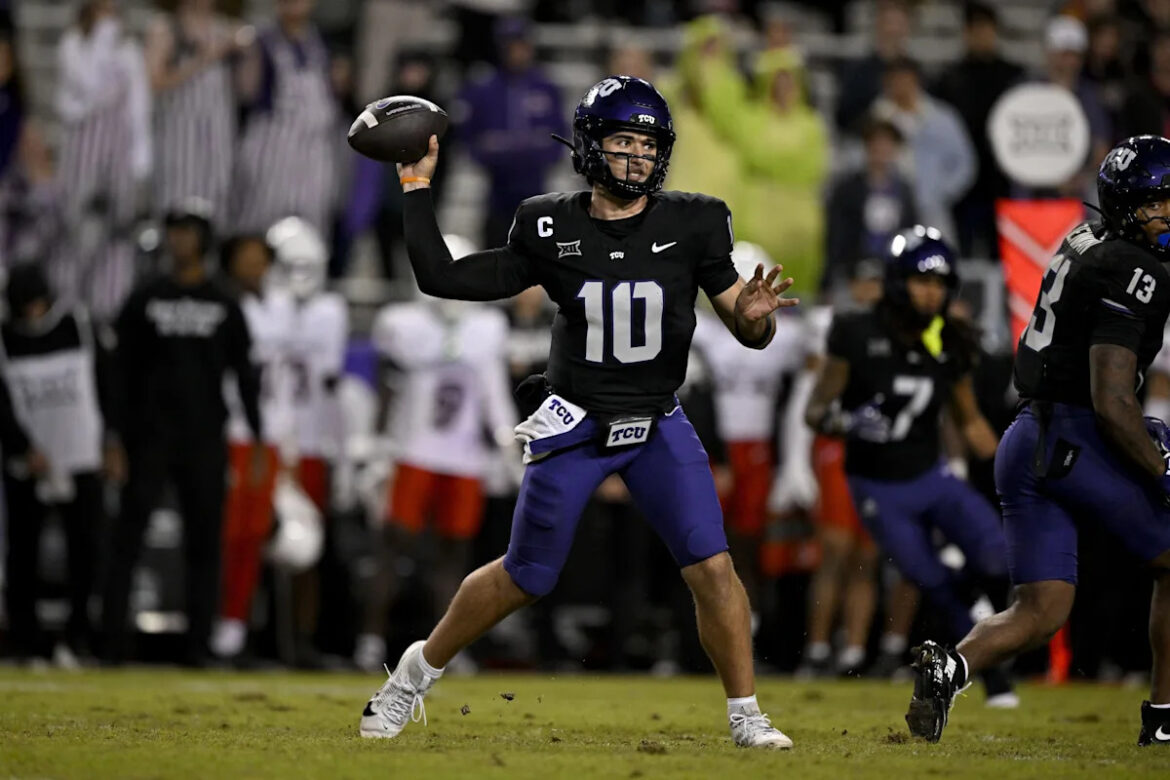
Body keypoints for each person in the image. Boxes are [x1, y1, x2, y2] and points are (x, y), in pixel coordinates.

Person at [358, 76, 797, 749]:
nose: (637, 157)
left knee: (712, 567)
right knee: (525, 577)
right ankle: (414, 673)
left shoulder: (696, 220)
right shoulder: (548, 222)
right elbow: (443, 277)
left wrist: (757, 319)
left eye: (648, 144)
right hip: (578, 422)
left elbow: (748, 327)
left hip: (656, 421)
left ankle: (747, 715)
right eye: (623, 141)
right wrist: (417, 188)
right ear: (590, 146)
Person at [905, 135, 1170, 746]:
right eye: (1156, 203)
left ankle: (950, 669)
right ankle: (1163, 719)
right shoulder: (1134, 268)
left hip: (1026, 439)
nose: (1166, 215)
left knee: (1041, 609)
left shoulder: (1086, 238)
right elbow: (1112, 398)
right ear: (1127, 206)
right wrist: (1160, 466)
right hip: (1077, 437)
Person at [805, 225, 1016, 705]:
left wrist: (1018, 471)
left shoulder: (948, 338)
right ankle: (994, 679)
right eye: (922, 281)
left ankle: (975, 609)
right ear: (899, 281)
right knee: (933, 581)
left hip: (931, 474)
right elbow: (814, 411)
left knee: (996, 556)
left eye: (940, 283)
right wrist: (847, 422)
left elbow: (971, 422)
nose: (931, 293)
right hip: (878, 486)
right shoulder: (855, 330)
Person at [100, 199, 264, 666]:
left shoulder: (224, 302)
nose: (180, 240)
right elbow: (119, 373)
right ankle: (110, 643)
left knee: (205, 541)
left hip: (204, 438)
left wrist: (257, 436)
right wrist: (113, 437)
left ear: (205, 240)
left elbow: (245, 375)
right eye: (174, 231)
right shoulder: (144, 297)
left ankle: (198, 645)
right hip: (148, 437)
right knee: (127, 538)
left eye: (189, 231)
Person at [357, 235, 516, 673]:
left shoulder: (487, 327)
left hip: (463, 456)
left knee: (454, 556)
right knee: (392, 546)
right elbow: (386, 388)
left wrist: (507, 444)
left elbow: (492, 391)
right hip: (413, 449)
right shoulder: (402, 322)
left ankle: (446, 649)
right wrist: (376, 445)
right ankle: (370, 641)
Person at [0, 263, 122, 665]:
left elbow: (109, 385)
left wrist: (111, 441)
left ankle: (78, 637)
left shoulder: (80, 327)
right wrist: (21, 447)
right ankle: (25, 641)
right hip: (29, 464)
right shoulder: (5, 339)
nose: (33, 314)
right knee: (23, 554)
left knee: (88, 551)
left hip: (82, 457)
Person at [270, 216, 348, 665]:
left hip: (312, 443)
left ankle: (302, 640)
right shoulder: (264, 307)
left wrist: (338, 448)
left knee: (309, 548)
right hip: (268, 440)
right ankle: (257, 636)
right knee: (258, 541)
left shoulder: (329, 312)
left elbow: (330, 385)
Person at [211, 233, 292, 662]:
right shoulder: (221, 304)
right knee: (224, 530)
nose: (254, 267)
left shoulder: (282, 305)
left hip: (270, 432)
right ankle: (213, 616)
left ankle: (237, 621)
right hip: (231, 430)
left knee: (254, 533)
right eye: (246, 259)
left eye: (260, 259)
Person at [54, 0, 151, 321]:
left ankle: (108, 308)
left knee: (118, 232)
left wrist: (141, 159)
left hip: (118, 154)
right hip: (83, 153)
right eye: (102, 11)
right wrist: (102, 38)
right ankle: (67, 305)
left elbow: (139, 104)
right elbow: (88, 85)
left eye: (113, 12)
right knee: (76, 230)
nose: (109, 18)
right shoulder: (72, 44)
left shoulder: (129, 51)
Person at [455, 16, 564, 248]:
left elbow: (558, 136)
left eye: (520, 44)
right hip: (497, 188)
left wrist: (519, 151)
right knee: (496, 250)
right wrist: (497, 154)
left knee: (537, 251)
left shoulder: (546, 87)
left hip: (535, 186)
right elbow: (470, 137)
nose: (516, 51)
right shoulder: (484, 89)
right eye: (510, 45)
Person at [232, 0, 338, 237]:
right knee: (260, 223)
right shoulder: (261, 39)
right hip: (274, 146)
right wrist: (246, 54)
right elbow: (245, 93)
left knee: (311, 228)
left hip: (315, 149)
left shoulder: (318, 41)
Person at [932, 2, 1023, 259]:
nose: (981, 35)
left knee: (1003, 254)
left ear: (995, 32)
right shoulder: (948, 78)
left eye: (986, 29)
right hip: (962, 185)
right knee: (962, 253)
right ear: (966, 33)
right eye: (975, 29)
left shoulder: (1014, 77)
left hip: (1002, 180)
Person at [143, 0, 243, 227]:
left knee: (217, 211)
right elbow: (154, 81)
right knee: (178, 211)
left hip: (218, 140)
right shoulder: (166, 27)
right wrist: (207, 56)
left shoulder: (227, 29)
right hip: (180, 140)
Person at [871, 58, 976, 244]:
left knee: (936, 255)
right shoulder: (877, 117)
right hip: (888, 206)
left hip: (931, 208)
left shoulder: (941, 118)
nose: (901, 87)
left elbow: (965, 163)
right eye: (895, 81)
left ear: (917, 81)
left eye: (906, 81)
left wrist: (941, 193)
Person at [823, 117, 918, 294]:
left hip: (892, 273)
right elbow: (836, 237)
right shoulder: (847, 190)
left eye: (887, 145)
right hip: (853, 274)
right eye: (877, 144)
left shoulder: (904, 192)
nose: (881, 150)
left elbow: (911, 234)